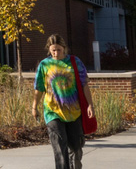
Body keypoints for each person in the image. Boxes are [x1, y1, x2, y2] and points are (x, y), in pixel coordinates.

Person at [33, 33, 95, 169]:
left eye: (58, 50)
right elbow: (39, 88)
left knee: (76, 148)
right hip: (52, 111)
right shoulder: (44, 65)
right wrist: (34, 107)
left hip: (74, 111)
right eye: (53, 50)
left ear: (64, 48)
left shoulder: (75, 62)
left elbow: (84, 85)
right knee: (60, 150)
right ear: (49, 49)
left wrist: (90, 105)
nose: (56, 53)